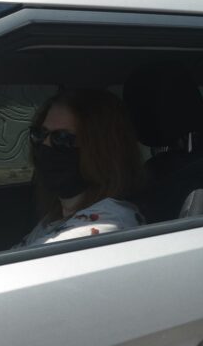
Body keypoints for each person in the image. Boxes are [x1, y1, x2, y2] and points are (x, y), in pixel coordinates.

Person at [15, 88, 144, 248]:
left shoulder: (109, 222)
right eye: (40, 134)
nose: (45, 146)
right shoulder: (56, 218)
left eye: (62, 139)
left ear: (102, 151)